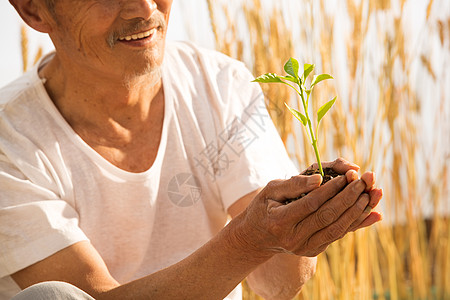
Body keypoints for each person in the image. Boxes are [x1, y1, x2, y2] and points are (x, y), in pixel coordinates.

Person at [0, 0, 383, 299]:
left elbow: (277, 284)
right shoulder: (10, 140)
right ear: (34, 9)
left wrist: (304, 215)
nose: (145, 8)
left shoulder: (220, 86)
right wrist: (249, 239)